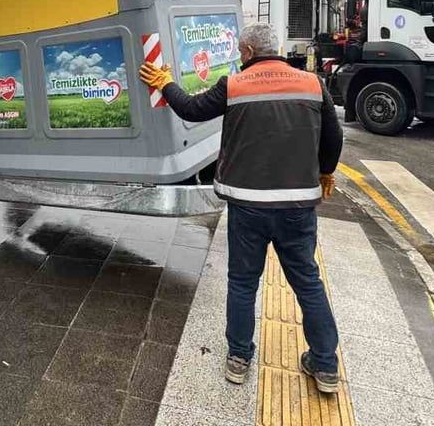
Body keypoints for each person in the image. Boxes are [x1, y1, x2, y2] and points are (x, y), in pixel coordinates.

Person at [138, 22, 343, 393]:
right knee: (307, 282)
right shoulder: (314, 85)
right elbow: (333, 135)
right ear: (277, 49)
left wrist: (163, 81)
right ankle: (325, 365)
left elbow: (190, 109)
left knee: (244, 282)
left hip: (247, 207)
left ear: (247, 52)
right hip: (297, 207)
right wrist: (326, 171)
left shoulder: (233, 85)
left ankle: (238, 359)